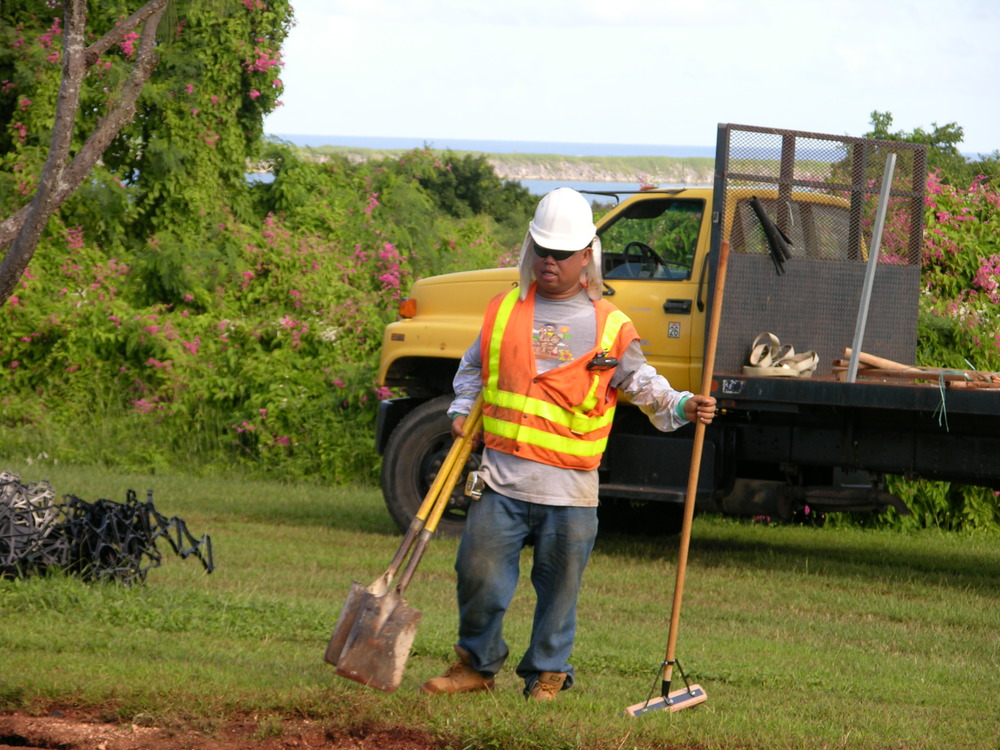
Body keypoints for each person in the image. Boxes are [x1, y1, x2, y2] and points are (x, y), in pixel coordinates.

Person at [419, 187, 717, 701]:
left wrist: (683, 404)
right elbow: (472, 368)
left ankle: (548, 674)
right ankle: (476, 666)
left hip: (572, 490)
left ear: (587, 256)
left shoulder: (610, 325)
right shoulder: (503, 310)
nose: (549, 261)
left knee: (559, 589)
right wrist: (461, 410)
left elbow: (641, 384)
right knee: (477, 573)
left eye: (561, 253)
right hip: (501, 479)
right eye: (542, 250)